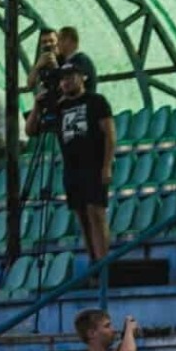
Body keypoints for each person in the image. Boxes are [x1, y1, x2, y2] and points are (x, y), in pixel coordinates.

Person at [30, 63, 116, 264]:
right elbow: (31, 130)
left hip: (94, 164)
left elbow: (109, 134)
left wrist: (107, 165)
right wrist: (37, 106)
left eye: (71, 77)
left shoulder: (96, 101)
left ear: (82, 77)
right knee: (82, 215)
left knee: (96, 212)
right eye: (63, 79)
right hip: (72, 167)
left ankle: (103, 262)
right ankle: (93, 259)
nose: (66, 82)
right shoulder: (60, 107)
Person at [75, 309, 139, 351]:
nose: (113, 330)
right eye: (107, 326)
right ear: (91, 333)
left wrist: (125, 335)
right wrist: (129, 329)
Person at [56, 26, 97, 91]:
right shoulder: (62, 60)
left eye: (62, 39)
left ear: (73, 42)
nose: (57, 43)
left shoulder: (81, 61)